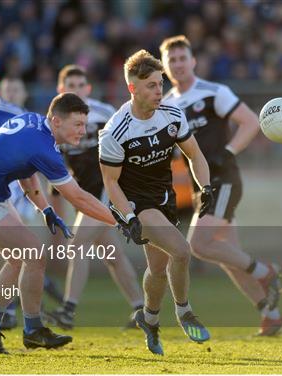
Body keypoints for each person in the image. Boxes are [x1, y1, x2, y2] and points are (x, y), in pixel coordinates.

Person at [0, 92, 121, 354]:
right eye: (77, 124)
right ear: (56, 121)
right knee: (33, 253)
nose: (82, 131)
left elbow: (26, 171)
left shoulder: (33, 122)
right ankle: (32, 329)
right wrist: (120, 220)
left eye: (83, 124)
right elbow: (78, 197)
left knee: (22, 257)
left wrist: (46, 209)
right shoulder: (44, 147)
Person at [159, 35, 282, 336]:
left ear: (193, 61)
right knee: (230, 256)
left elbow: (251, 122)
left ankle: (265, 271)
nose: (178, 64)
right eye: (172, 60)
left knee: (199, 245)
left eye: (182, 58)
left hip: (222, 179)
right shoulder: (166, 106)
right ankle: (272, 315)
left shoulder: (213, 91)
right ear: (165, 67)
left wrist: (227, 152)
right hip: (199, 186)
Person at [98, 50, 214, 356]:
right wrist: (129, 217)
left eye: (160, 84)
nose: (158, 90)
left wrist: (206, 186)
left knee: (158, 269)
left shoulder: (172, 113)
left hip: (164, 199)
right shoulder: (115, 131)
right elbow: (110, 182)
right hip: (136, 204)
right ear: (132, 89)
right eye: (150, 85)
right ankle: (184, 311)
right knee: (182, 251)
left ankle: (148, 319)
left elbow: (195, 155)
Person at [48, 65, 144, 330]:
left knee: (77, 244)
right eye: (70, 86)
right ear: (60, 91)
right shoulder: (56, 123)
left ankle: (68, 311)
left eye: (80, 85)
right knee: (112, 255)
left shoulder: (104, 114)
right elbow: (56, 167)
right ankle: (142, 310)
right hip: (87, 195)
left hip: (110, 190)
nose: (76, 90)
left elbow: (129, 144)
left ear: (88, 89)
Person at [0, 76, 64, 328]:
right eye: (8, 89)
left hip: (24, 193)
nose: (12, 93)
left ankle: (16, 308)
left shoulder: (32, 121)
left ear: (24, 93)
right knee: (12, 253)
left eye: (16, 88)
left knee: (18, 251)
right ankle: (36, 292)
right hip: (0, 191)